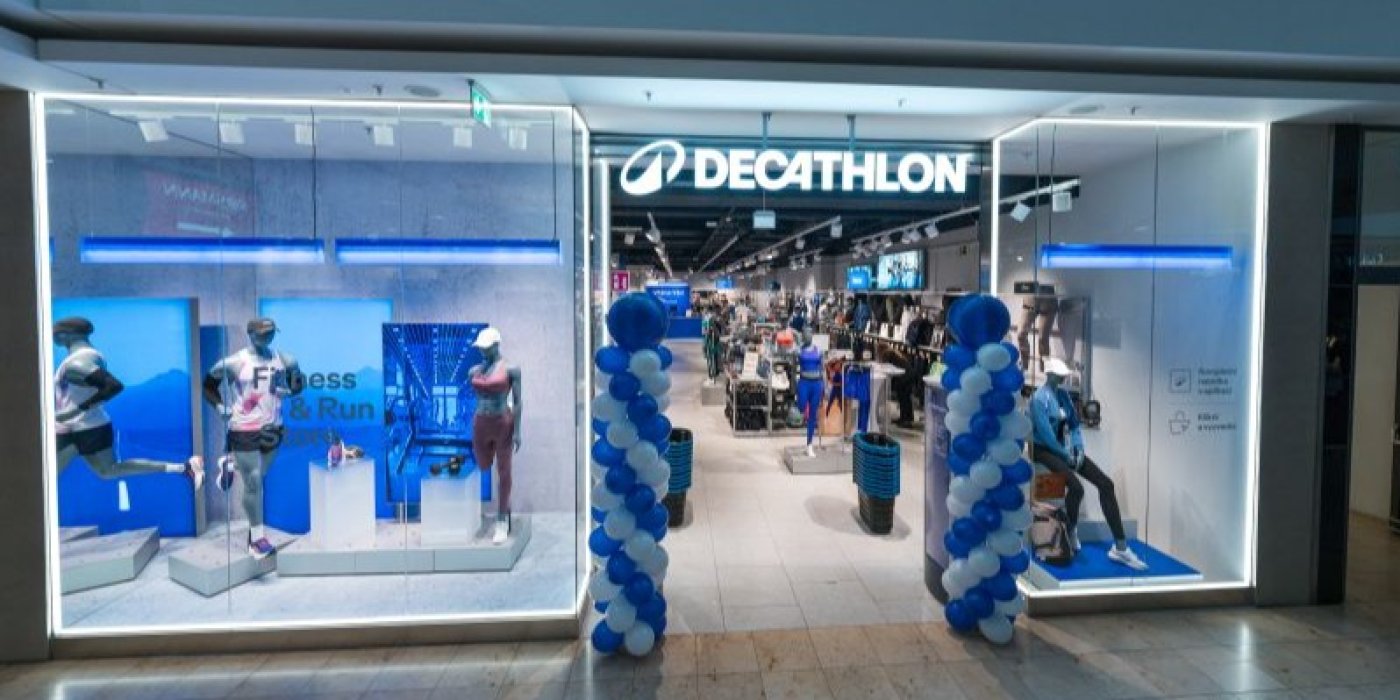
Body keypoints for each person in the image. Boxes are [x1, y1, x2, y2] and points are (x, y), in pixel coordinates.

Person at [53, 316, 204, 488]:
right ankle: (184, 468)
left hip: (78, 428)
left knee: (48, 472)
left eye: (56, 333)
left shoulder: (76, 363)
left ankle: (185, 468)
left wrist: (75, 411)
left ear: (67, 334)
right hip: (87, 426)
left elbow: (113, 386)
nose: (53, 337)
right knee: (108, 470)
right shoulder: (88, 357)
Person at [1029, 358, 1147, 570]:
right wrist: (1067, 455)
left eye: (1063, 374)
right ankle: (1071, 529)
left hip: (1063, 449)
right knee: (1076, 488)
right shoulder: (1038, 399)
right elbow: (1046, 436)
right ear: (1050, 375)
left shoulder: (1063, 396)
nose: (1062, 378)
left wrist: (1079, 449)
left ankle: (1120, 547)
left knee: (1106, 484)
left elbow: (1074, 426)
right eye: (1059, 374)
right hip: (1044, 450)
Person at [203, 318, 304, 560]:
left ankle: (231, 464)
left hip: (273, 428)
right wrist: (219, 406)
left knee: (260, 478)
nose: (268, 337)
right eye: (263, 333)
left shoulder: (286, 359)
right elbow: (208, 385)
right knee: (254, 482)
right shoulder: (233, 363)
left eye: (271, 333)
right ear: (251, 334)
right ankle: (256, 540)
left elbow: (299, 384)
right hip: (244, 428)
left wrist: (290, 390)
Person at [468, 327, 523, 545]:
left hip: (502, 422)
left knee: (504, 471)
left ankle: (501, 519)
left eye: (486, 347)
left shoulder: (511, 369)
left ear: (496, 345)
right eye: (480, 347)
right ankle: (501, 510)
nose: (482, 351)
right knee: (483, 465)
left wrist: (517, 430)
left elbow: (518, 402)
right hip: (481, 422)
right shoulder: (474, 370)